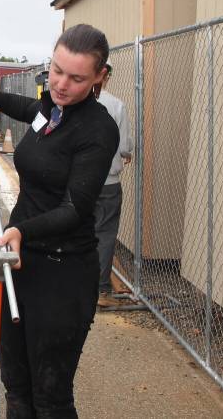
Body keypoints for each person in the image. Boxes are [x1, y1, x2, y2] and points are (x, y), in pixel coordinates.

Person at [0, 24, 119, 419]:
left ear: (100, 76)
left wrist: (20, 230)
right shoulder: (51, 109)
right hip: (19, 262)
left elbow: (75, 209)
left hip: (63, 272)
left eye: (76, 77)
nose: (61, 84)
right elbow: (28, 110)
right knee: (17, 389)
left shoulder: (98, 129)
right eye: (55, 70)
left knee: (50, 398)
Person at [91, 64, 133, 307]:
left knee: (78, 230)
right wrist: (125, 152)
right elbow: (125, 146)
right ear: (106, 77)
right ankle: (99, 289)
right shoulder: (116, 105)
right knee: (105, 234)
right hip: (108, 181)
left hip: (80, 181)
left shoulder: (78, 101)